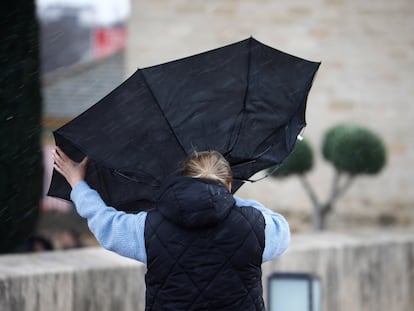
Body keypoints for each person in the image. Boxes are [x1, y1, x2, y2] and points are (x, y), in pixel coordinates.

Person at [53, 147, 290, 310]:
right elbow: (282, 231)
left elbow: (106, 224)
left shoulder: (149, 226)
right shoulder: (255, 226)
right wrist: (230, 200)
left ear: (183, 180)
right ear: (228, 185)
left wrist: (78, 184)